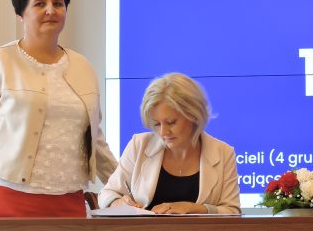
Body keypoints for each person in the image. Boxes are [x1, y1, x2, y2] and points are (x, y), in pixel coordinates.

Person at [0, 0, 117, 217]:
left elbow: (94, 140)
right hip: (4, 199)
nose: (51, 10)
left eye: (58, 3)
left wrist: (126, 190)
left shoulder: (83, 67)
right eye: (40, 3)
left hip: (69, 202)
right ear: (21, 13)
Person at [98, 73, 241, 215]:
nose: (163, 132)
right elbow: (107, 193)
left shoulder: (223, 152)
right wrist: (118, 202)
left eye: (171, 122)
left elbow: (232, 211)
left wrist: (193, 208)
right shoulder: (139, 145)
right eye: (156, 124)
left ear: (194, 115)